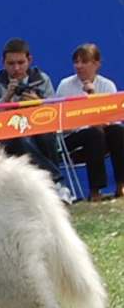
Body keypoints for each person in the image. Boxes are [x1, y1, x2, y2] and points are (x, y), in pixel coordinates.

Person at [0, 38, 65, 188]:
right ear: (3, 62)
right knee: (18, 139)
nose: (16, 68)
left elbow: (55, 111)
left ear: (29, 60)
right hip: (6, 134)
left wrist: (39, 103)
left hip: (38, 129)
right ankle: (55, 180)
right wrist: (7, 97)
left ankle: (52, 182)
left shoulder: (41, 79)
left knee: (47, 136)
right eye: (11, 64)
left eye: (21, 63)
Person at [56, 43, 124, 200]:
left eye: (84, 62)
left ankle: (121, 185)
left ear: (96, 64)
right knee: (92, 134)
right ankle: (95, 191)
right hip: (72, 137)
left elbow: (112, 119)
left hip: (102, 135)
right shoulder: (65, 85)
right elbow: (60, 124)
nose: (79, 66)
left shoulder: (107, 85)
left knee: (118, 131)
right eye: (76, 62)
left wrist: (93, 96)